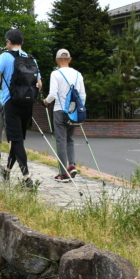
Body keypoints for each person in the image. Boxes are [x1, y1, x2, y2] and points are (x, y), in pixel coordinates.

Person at [0, 29, 42, 188]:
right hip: (27, 104)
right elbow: (39, 84)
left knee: (16, 141)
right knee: (17, 139)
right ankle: (7, 170)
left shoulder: (5, 56)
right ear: (22, 43)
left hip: (11, 102)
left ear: (8, 42)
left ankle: (27, 178)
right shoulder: (31, 59)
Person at [44, 49, 86, 183]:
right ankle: (72, 164)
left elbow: (52, 95)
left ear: (56, 60)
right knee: (70, 139)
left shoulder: (55, 74)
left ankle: (63, 174)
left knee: (60, 140)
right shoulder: (78, 74)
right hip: (73, 113)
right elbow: (83, 95)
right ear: (70, 59)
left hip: (59, 111)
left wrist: (46, 101)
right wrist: (77, 110)